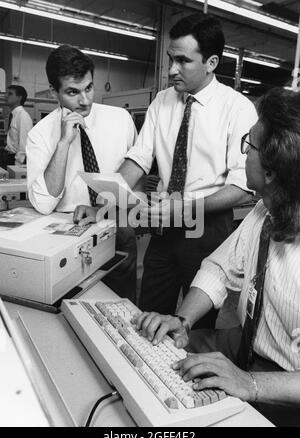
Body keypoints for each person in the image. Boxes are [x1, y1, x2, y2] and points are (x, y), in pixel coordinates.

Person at [75, 14, 257, 324]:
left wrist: (184, 209)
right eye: (171, 59)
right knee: (148, 317)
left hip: (209, 231)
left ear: (211, 62)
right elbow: (139, 159)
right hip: (164, 231)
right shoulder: (162, 101)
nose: (172, 69)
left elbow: (241, 188)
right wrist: (103, 206)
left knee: (198, 326)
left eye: (183, 61)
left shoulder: (237, 109)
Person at [134, 87, 300, 426]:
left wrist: (249, 383)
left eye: (249, 146)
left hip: (285, 383)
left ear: (270, 171)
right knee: (160, 352)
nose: (243, 156)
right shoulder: (262, 212)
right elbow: (219, 269)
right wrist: (182, 321)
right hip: (247, 344)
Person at [26, 45, 138, 301]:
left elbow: (136, 179)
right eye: (73, 92)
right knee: (74, 308)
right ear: (54, 91)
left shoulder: (120, 119)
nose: (85, 100)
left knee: (123, 305)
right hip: (69, 236)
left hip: (117, 227)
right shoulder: (41, 135)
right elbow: (43, 204)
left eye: (88, 88)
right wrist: (63, 143)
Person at [0, 85, 33, 168]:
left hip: (14, 160)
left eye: (10, 94)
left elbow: (24, 144)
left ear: (19, 98)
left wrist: (17, 166)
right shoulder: (13, 115)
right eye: (6, 93)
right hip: (7, 156)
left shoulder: (23, 116)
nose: (5, 96)